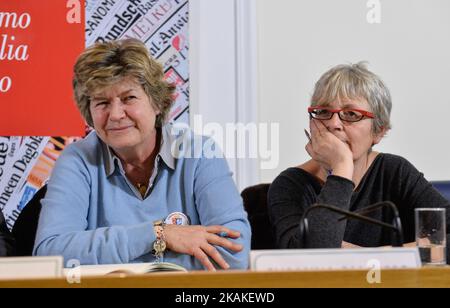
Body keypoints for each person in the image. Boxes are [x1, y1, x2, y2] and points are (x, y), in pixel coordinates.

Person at [33, 39, 251, 270]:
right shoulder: (76, 161)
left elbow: (234, 256)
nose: (116, 114)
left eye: (129, 98)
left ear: (156, 103)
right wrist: (159, 234)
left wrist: (108, 259)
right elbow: (52, 254)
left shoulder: (200, 154)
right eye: (102, 102)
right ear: (90, 112)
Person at [268, 62, 450, 262]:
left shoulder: (395, 171)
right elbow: (314, 261)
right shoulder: (290, 185)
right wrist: (341, 168)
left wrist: (376, 255)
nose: (333, 124)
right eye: (322, 112)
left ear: (378, 131)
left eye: (351, 114)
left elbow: (443, 237)